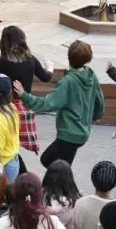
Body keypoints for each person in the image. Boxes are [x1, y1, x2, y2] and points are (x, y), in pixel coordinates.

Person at [16, 40, 104, 168]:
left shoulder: (67, 82)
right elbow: (99, 99)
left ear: (68, 57)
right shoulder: (90, 75)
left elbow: (47, 104)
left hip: (69, 135)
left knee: (61, 173)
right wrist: (97, 115)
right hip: (81, 132)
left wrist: (24, 95)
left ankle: (63, 187)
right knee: (46, 160)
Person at [0, 25, 52, 159]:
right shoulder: (31, 60)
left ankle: (13, 169)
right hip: (25, 107)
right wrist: (50, 68)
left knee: (8, 143)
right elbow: (46, 77)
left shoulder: (3, 62)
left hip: (7, 108)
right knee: (14, 144)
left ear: (3, 43)